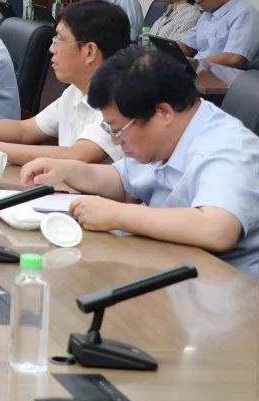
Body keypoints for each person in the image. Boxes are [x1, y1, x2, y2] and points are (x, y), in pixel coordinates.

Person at [22, 47, 259, 276]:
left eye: (118, 130)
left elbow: (217, 229)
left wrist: (118, 215)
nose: (115, 141)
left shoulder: (227, 147)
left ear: (163, 113)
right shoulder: (168, 134)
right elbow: (122, 180)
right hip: (175, 265)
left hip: (229, 285)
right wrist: (69, 170)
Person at [0, 0, 130, 164]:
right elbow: (24, 130)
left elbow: (77, 156)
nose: (52, 49)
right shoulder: (74, 91)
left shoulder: (119, 100)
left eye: (59, 40)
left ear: (89, 51)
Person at [179, 0, 259, 67]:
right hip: (200, 70)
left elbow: (234, 58)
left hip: (227, 74)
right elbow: (187, 45)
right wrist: (168, 55)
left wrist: (195, 66)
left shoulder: (244, 14)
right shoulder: (206, 14)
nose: (197, 1)